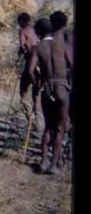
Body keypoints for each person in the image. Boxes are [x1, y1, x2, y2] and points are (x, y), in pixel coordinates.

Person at [27, 18, 72, 174]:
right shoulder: (62, 45)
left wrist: (37, 83)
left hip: (47, 88)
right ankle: (54, 165)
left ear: (38, 32)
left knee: (48, 127)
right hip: (62, 87)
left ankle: (44, 161)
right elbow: (71, 65)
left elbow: (30, 70)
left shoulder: (37, 48)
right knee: (60, 129)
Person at [17, 13, 43, 132]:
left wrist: (20, 51)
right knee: (36, 95)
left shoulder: (23, 31)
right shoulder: (37, 29)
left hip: (30, 64)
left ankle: (29, 121)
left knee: (23, 94)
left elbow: (23, 46)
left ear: (22, 21)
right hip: (40, 65)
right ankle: (38, 123)